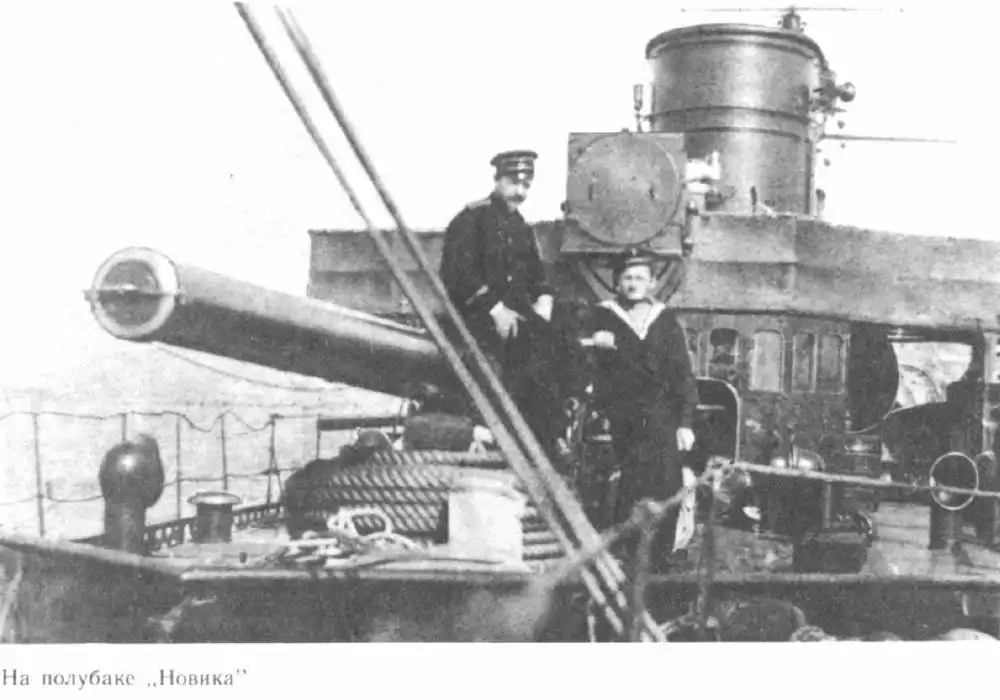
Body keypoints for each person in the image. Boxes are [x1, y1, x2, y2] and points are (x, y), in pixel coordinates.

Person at [440, 150, 581, 460]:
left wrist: (544, 298)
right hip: (475, 315)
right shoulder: (471, 219)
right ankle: (533, 437)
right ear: (498, 180)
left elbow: (536, 276)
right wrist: (495, 310)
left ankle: (558, 428)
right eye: (514, 183)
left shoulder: (520, 226)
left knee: (564, 337)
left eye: (526, 185)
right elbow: (457, 275)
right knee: (525, 353)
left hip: (514, 315)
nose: (520, 191)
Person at [585, 250, 698, 571]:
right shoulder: (603, 315)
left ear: (651, 283)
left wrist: (685, 421)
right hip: (622, 414)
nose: (633, 284)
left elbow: (682, 372)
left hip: (663, 414)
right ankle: (630, 555)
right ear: (617, 282)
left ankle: (662, 557)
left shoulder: (665, 319)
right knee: (630, 482)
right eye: (627, 278)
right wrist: (595, 344)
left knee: (667, 481)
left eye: (639, 278)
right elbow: (582, 357)